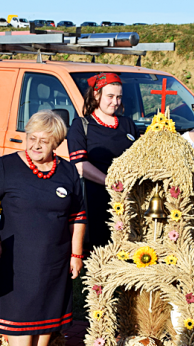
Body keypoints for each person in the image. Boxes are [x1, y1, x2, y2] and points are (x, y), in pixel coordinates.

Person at [0, 111, 86, 346]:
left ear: (56, 144)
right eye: (31, 138)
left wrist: (76, 253)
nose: (36, 146)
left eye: (44, 141)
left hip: (56, 256)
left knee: (49, 308)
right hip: (16, 256)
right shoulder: (7, 167)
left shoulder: (68, 171)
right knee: (21, 310)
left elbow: (79, 215)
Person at [67, 72, 136, 251]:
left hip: (126, 198)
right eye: (110, 96)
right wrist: (110, 183)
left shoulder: (127, 124)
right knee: (99, 250)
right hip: (95, 198)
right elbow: (80, 165)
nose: (115, 102)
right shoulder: (81, 125)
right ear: (96, 95)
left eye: (119, 97)